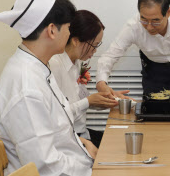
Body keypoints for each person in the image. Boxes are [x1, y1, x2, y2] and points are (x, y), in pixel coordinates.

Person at [0, 0, 93, 175]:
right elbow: (45, 166)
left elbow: (57, 127)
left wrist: (83, 146)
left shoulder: (38, 67)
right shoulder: (26, 85)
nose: (69, 34)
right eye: (68, 28)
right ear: (51, 30)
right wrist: (90, 168)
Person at [49, 10, 121, 148]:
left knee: (118, 142)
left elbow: (81, 100)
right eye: (94, 45)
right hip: (69, 140)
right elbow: (56, 117)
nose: (94, 51)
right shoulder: (54, 65)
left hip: (82, 133)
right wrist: (88, 102)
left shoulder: (76, 63)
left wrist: (107, 100)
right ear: (76, 41)